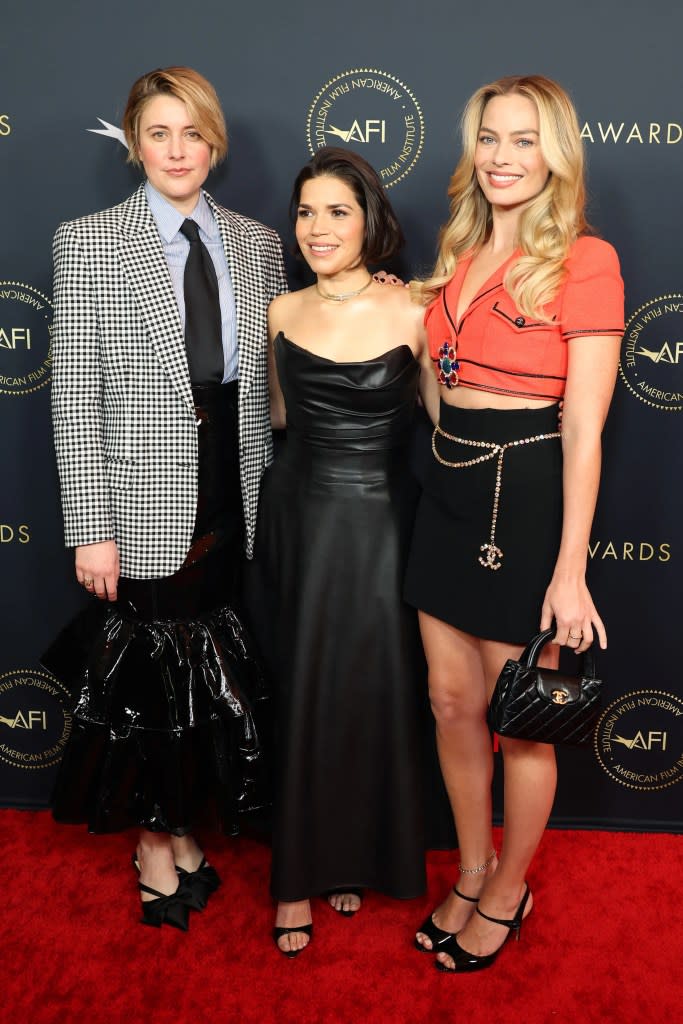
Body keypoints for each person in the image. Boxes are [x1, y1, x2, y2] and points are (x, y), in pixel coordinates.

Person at [43, 66, 287, 930]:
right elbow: (73, 394)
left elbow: (270, 380)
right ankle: (154, 841)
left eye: (192, 133)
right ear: (134, 144)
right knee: (147, 672)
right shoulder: (90, 242)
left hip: (232, 479)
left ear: (214, 142)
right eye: (158, 133)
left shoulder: (258, 242)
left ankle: (182, 824)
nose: (177, 150)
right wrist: (93, 527)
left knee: (205, 665)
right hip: (139, 495)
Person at [404, 75, 624, 973]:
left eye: (523, 140)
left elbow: (583, 429)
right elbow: (434, 388)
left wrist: (568, 570)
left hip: (526, 497)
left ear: (555, 153)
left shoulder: (586, 259)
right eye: (489, 138)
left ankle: (507, 890)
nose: (501, 157)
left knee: (521, 718)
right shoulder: (453, 254)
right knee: (451, 703)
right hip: (448, 487)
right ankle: (472, 867)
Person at [247, 147, 440, 956]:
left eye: (337, 212)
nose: (317, 228)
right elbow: (280, 419)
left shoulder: (416, 310)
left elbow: (444, 421)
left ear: (370, 222)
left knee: (372, 690)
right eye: (304, 212)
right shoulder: (279, 312)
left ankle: (356, 854)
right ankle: (297, 876)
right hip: (298, 517)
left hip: (382, 522)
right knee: (301, 689)